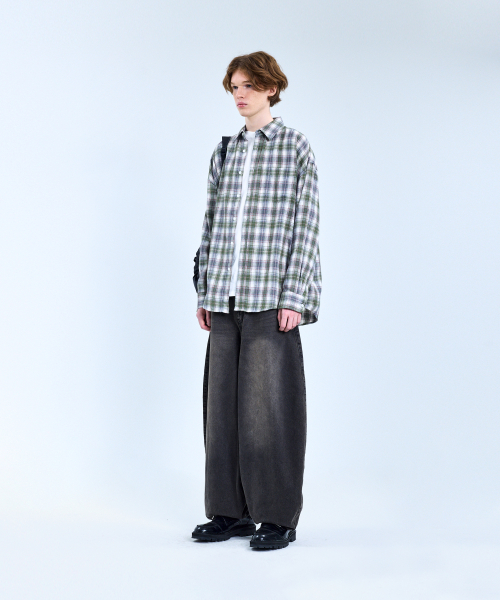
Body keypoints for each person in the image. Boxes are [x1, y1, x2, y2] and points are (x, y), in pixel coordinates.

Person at [192, 51, 321, 550]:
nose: (239, 95)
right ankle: (230, 513)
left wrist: (295, 296)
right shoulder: (224, 151)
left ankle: (276, 517)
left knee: (268, 411)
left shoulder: (294, 147)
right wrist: (205, 289)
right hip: (223, 296)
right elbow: (211, 224)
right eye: (234, 87)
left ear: (271, 88)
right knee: (221, 411)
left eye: (248, 85)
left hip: (270, 297)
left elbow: (306, 226)